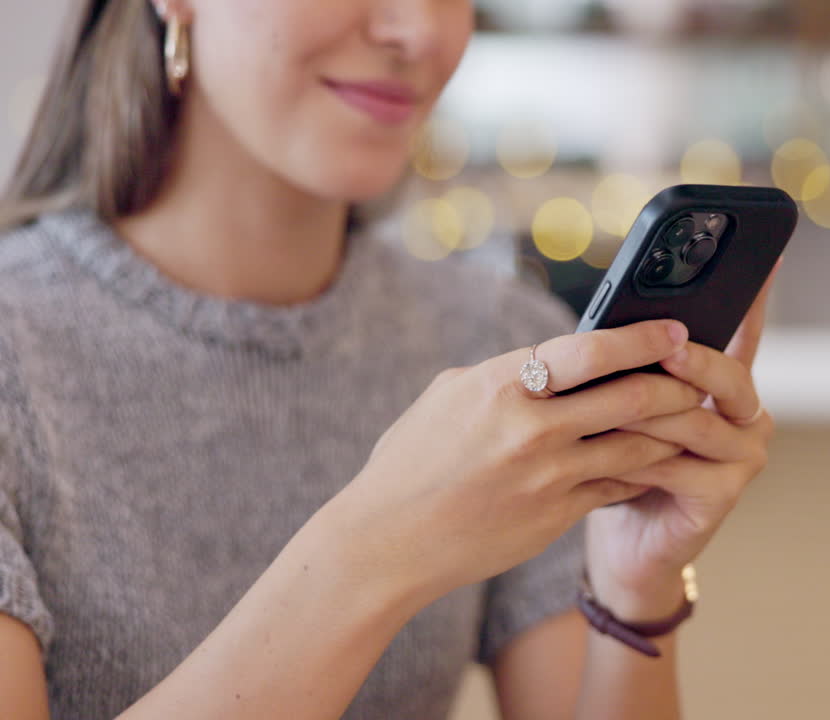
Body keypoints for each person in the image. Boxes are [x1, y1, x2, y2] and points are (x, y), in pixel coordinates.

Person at [0, 1, 777, 718]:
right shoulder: (17, 355)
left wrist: (631, 595)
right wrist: (378, 550)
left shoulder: (498, 340)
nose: (420, 33)